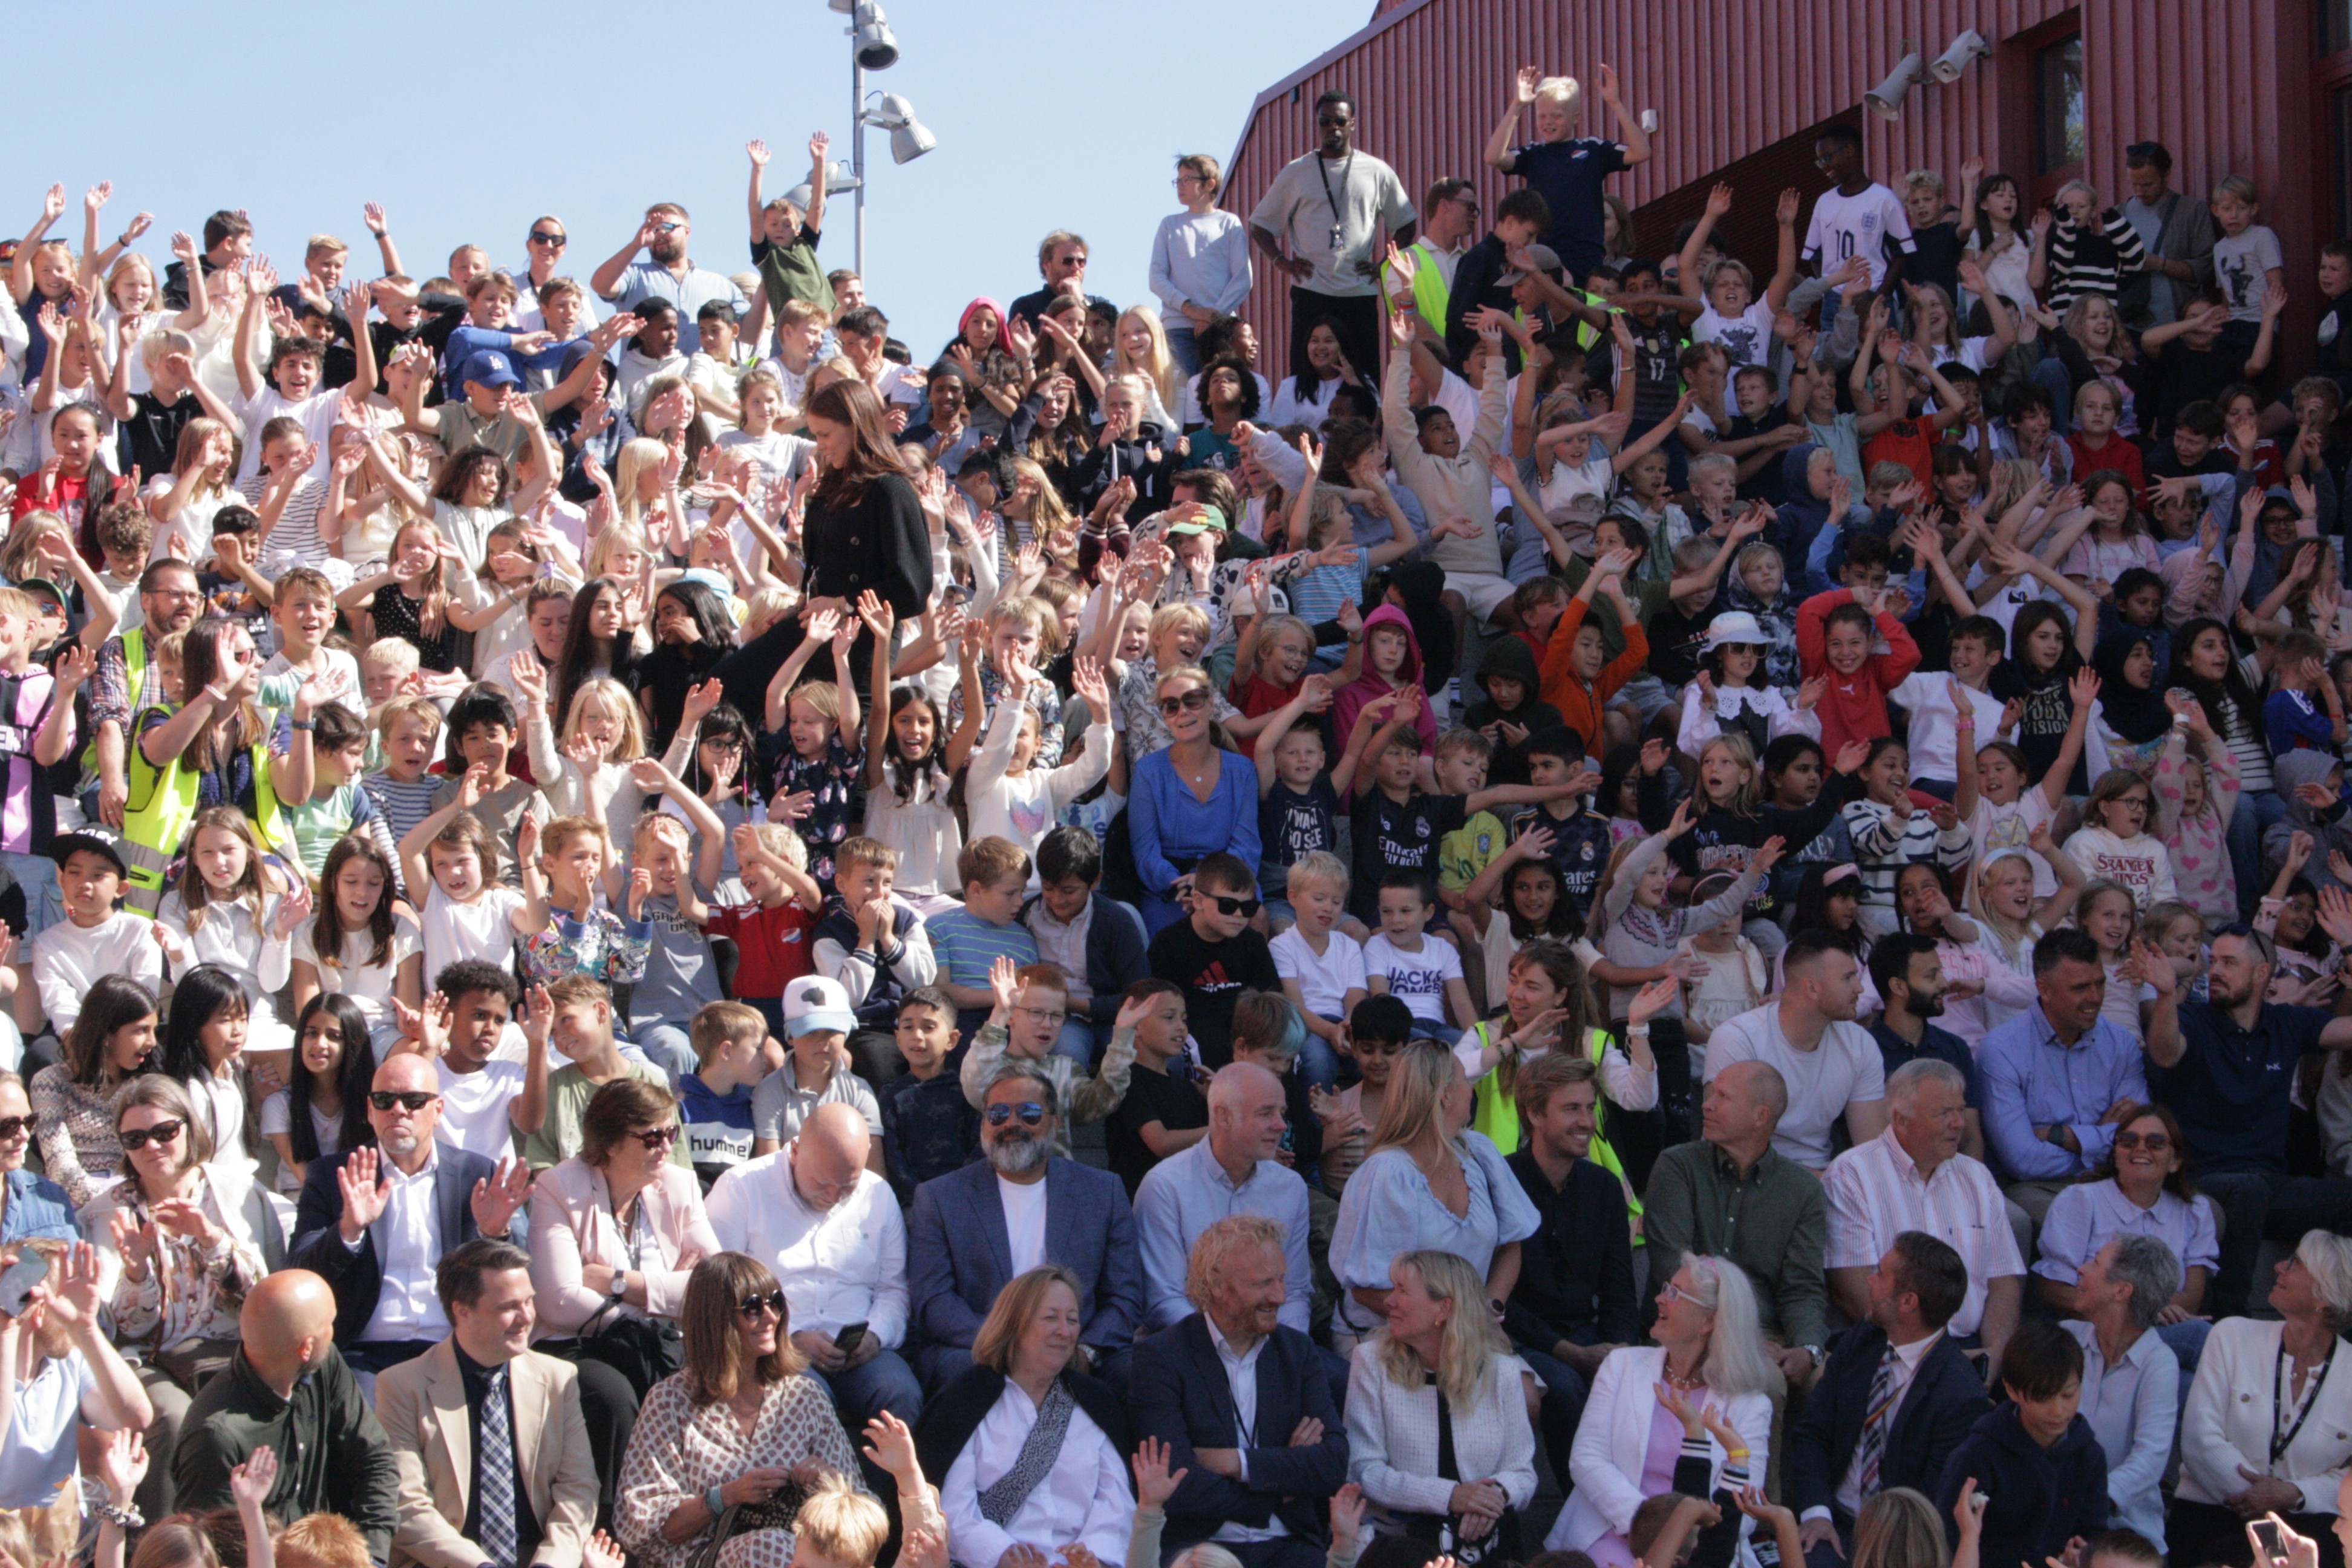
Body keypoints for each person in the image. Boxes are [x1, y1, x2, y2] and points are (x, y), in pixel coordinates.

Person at [526, 1076, 720, 1526]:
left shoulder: (680, 1185)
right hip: (577, 1342)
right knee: (613, 1395)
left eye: (671, 1133)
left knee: (707, 1380)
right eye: (651, 1136)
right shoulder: (560, 1187)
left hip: (658, 1339)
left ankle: (695, 1519)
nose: (665, 1147)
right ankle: (618, 1525)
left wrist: (616, 1282)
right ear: (611, 1142)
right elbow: (557, 1302)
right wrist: (666, 1291)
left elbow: (715, 1284)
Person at [85, 1074, 273, 1520]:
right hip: (149, 1358)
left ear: (189, 1128)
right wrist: (136, 1271)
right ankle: (161, 1547)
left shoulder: (239, 1194)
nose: (152, 1147)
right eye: (135, 1138)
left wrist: (210, 1239)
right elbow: (123, 1329)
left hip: (231, 1350)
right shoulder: (105, 1212)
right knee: (170, 1419)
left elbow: (262, 1299)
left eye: (165, 1132)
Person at [2144, 921, 2352, 1319]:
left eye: (2229, 962)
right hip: (2200, 1181)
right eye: (2214, 961)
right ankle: (2230, 1321)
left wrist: (2349, 943)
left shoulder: (2288, 1023)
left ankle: (2335, 1322)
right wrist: (2167, 994)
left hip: (2271, 1185)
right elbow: (2165, 1053)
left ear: (2261, 974)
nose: (2216, 970)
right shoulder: (2194, 1019)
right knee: (2249, 1190)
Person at [612, 1252, 872, 1568]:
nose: (770, 1317)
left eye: (775, 1302)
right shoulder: (669, 1402)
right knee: (768, 1546)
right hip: (699, 1558)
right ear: (715, 1319)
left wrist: (829, 1484)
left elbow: (864, 1517)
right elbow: (642, 1531)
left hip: (800, 1554)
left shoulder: (806, 1397)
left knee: (783, 1547)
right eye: (752, 1308)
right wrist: (726, 1496)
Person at [289, 1051, 531, 1384]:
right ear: (370, 1110)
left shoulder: (476, 1173)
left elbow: (522, 1273)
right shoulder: (333, 1176)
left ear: (438, 1111)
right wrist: (347, 1231)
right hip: (365, 1351)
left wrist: (493, 1234)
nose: (398, 1110)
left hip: (457, 1346)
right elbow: (299, 1271)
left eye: (414, 1100)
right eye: (385, 1100)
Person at [1126, 1215, 1349, 1568]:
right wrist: (1282, 1487)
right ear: (1216, 1284)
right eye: (1263, 1283)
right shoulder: (1162, 1358)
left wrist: (1237, 1462)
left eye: (1281, 1280)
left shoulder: (1298, 1352)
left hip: (1289, 1544)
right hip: (1199, 1547)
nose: (1279, 1296)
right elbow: (1175, 1481)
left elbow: (1333, 1463)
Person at [905, 1064, 1143, 1393]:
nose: (1011, 1124)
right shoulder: (940, 1197)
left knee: (1138, 1373)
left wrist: (1084, 1351)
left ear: (1055, 1124)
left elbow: (1125, 1296)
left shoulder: (1103, 1192)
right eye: (998, 1114)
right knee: (963, 1372)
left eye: (1029, 1113)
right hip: (981, 1349)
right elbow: (934, 1302)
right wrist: (1008, 1348)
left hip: (1075, 1347)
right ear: (984, 1123)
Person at [705, 1103, 921, 1460]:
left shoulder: (877, 1194)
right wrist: (785, 1339)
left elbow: (894, 1288)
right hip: (774, 1347)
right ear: (794, 1150)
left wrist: (876, 1335)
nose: (834, 1197)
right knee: (805, 1400)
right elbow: (716, 1288)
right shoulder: (743, 1189)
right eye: (823, 1183)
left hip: (860, 1347)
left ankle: (880, 1510)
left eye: (847, 1187)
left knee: (901, 1395)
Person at [374, 1238, 601, 1568]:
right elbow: (407, 1506)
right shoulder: (402, 1386)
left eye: (530, 1302)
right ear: (462, 1311)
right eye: (508, 1307)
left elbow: (578, 1489)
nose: (527, 1317)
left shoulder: (558, 1378)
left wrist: (550, 1564)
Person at [1546, 1254, 1776, 1564]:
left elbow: (1746, 1509)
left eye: (1675, 1293)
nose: (1659, 1298)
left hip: (1701, 1548)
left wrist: (1681, 1538)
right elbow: (1587, 1459)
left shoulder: (1751, 1405)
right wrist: (1650, 1527)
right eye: (1667, 1287)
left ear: (1709, 1321)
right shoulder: (1621, 1365)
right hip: (1614, 1529)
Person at [172, 1269, 402, 1566]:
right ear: (306, 1348)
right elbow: (211, 1553)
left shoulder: (325, 1364)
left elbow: (374, 1459)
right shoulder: (217, 1438)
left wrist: (372, 1557)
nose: (333, 1332)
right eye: (329, 1324)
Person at [1785, 1232, 1990, 1566]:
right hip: (1832, 1525)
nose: (1869, 1279)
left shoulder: (1960, 1394)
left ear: (1908, 1302)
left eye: (1880, 1274)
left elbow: (1934, 1502)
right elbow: (1812, 1433)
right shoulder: (1862, 1342)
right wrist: (1817, 1514)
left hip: (1900, 1545)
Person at [915, 1264, 1136, 1568]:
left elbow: (1116, 1504)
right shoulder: (965, 1400)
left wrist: (1091, 1558)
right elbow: (953, 1508)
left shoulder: (1096, 1403)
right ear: (1014, 1325)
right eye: (1050, 1318)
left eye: (1072, 1319)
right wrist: (1004, 1556)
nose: (1065, 1331)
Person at [1328, 1044, 1539, 1348]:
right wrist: (1455, 1328)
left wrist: (1487, 1313)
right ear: (1445, 1095)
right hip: (1387, 1336)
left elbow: (1511, 1246)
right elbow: (1366, 1291)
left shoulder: (1479, 1151)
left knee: (1530, 1396)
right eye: (1465, 1080)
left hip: (1468, 1332)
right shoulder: (1388, 1173)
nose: (1472, 1089)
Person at [1825, 1060, 2025, 1365]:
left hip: (1973, 1351)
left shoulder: (1977, 1177)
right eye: (1944, 1113)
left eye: (1960, 1110)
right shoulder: (1853, 1175)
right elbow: (1854, 1292)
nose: (1959, 1123)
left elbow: (2004, 1282)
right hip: (1889, 1350)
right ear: (1900, 1119)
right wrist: (1933, 1361)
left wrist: (1994, 1356)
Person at [1645, 1060, 1831, 1388]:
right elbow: (1671, 1264)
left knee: (1829, 1380)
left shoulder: (1803, 1191)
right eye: (1710, 1094)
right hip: (1686, 1324)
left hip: (1768, 1334)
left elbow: (1802, 1288)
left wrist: (1808, 1349)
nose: (1707, 1104)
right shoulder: (1678, 1166)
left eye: (1723, 1097)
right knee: (1763, 1383)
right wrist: (1738, 1340)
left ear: (1761, 1117)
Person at [1346, 1248, 1537, 1563]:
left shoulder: (1501, 1370)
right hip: (1401, 1546)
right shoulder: (1371, 1362)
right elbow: (1363, 1470)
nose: (1389, 1301)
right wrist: (1452, 1497)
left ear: (1444, 1308)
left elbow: (1523, 1473)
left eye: (1402, 1291)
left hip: (1485, 1538)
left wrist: (1491, 1498)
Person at [2174, 1232, 2352, 1568]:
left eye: (2296, 1263)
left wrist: (2296, 1494)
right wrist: (2263, 1504)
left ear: (2325, 1294)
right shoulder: (2232, 1336)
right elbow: (2200, 1440)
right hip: (2213, 1515)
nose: (2279, 1267)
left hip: (2308, 1529)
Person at [1500, 1053, 1640, 1476]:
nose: (1586, 1121)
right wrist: (1569, 1353)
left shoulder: (1604, 1188)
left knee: (1632, 1384)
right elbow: (1499, 1299)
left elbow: (1619, 1290)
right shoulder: (1503, 1181)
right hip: (1517, 1338)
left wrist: (1618, 1350)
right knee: (1563, 1389)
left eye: (1590, 1108)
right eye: (1572, 1109)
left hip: (1586, 1331)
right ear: (1535, 1114)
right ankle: (1577, 1511)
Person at [1975, 928, 2151, 1224]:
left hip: (2114, 1180)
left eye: (2100, 984)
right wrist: (2103, 1139)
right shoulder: (2002, 1049)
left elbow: (2138, 1137)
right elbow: (2024, 1161)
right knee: (2084, 1221)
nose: (2095, 998)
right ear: (2044, 989)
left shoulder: (2121, 1043)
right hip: (2037, 1188)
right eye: (2080, 988)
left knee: (2195, 1213)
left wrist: (2064, 1136)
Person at [1247, 90, 1418, 381]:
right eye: (1325, 122)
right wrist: (1281, 262)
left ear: (1352, 123)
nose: (1332, 129)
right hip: (1311, 291)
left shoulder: (1376, 171)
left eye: (1339, 121)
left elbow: (1406, 223)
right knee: (1306, 379)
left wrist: (1382, 266)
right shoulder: (1297, 172)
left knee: (1363, 380)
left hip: (1359, 293)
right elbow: (1259, 225)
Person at [1134, 1062, 1313, 1336]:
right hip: (1188, 1350)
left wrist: (1279, 1354)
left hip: (1271, 1345)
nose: (1280, 1125)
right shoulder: (1165, 1186)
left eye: (1282, 1113)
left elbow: (1296, 1292)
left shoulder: (1291, 1187)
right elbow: (1164, 1301)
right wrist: (1224, 1351)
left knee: (1338, 1377)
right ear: (1224, 1116)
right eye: (1266, 1113)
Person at [1701, 930, 1890, 1170]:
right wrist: (1813, 1185)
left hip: (1823, 1179)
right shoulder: (1738, 1038)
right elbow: (1729, 1144)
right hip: (1743, 1182)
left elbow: (1872, 1149)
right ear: (1812, 988)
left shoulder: (1860, 1044)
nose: (1860, 989)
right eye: (1848, 978)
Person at [1932, 1319, 2108, 1568]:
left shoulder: (2089, 1456)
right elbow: (1949, 1540)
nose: (2059, 1410)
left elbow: (2093, 1534)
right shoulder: (1977, 1456)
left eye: (2068, 1394)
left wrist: (2083, 1556)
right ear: (2012, 1390)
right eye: (2043, 1397)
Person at [0, 1239, 154, 1517]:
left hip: (60, 1546)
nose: (73, 1305)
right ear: (39, 1307)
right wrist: (6, 1331)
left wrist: (86, 1329)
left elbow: (136, 1418)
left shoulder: (68, 1361)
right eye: (66, 1295)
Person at [2056, 1233, 2181, 1550]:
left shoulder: (2159, 1362)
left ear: (2121, 1291)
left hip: (2127, 1537)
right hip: (2052, 1520)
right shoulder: (2065, 1338)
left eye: (2095, 1262)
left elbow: (2150, 1458)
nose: (2082, 1269)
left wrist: (2093, 1501)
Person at [589, 201, 748, 357]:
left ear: (687, 232)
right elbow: (600, 285)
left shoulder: (719, 285)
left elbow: (751, 334)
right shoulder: (634, 274)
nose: (658, 235)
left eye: (666, 228)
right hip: (646, 380)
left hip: (702, 380)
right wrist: (636, 245)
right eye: (653, 229)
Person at [1151, 155, 1253, 376]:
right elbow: (1156, 277)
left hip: (1221, 327)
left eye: (1187, 179)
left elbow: (1243, 278)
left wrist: (1213, 316)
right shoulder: (1169, 225)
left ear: (1209, 184)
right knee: (1181, 392)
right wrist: (1191, 310)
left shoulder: (1229, 223)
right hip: (1177, 326)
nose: (1180, 186)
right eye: (1178, 180)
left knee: (1217, 389)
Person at [2120, 142, 2218, 330]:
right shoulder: (2118, 215)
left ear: (2166, 175)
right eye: (2134, 184)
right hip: (2127, 329)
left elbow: (2206, 267)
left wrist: (2160, 264)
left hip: (2180, 326)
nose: (2140, 191)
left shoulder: (2192, 211)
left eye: (2148, 184)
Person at [0, 1072, 76, 1243]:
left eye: (29, 1122)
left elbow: (73, 1265)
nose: (25, 1135)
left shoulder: (49, 1196)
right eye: (7, 1127)